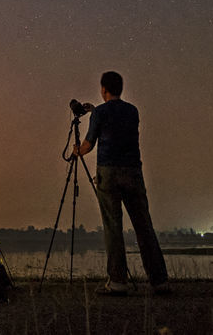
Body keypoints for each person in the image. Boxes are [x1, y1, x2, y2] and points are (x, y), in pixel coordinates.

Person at [72, 70, 169, 295]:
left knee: (113, 227)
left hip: (108, 172)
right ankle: (159, 281)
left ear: (103, 89)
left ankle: (117, 282)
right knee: (144, 226)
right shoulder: (132, 111)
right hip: (133, 171)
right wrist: (95, 111)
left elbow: (88, 144)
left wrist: (76, 151)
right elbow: (116, 125)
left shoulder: (101, 113)